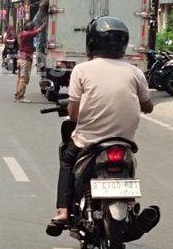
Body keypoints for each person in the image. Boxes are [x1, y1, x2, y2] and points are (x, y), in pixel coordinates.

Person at [46, 16, 154, 236]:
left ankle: (63, 211)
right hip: (124, 140)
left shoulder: (82, 70)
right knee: (129, 164)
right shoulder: (135, 72)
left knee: (67, 159)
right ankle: (130, 208)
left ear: (91, 42)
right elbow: (148, 106)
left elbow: (74, 113)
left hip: (89, 141)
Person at [15, 18, 48, 102]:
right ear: (30, 28)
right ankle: (20, 97)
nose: (33, 29)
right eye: (32, 28)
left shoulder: (22, 34)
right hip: (25, 59)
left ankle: (18, 95)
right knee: (24, 79)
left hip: (20, 58)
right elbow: (38, 31)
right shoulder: (27, 34)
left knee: (20, 78)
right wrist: (45, 23)